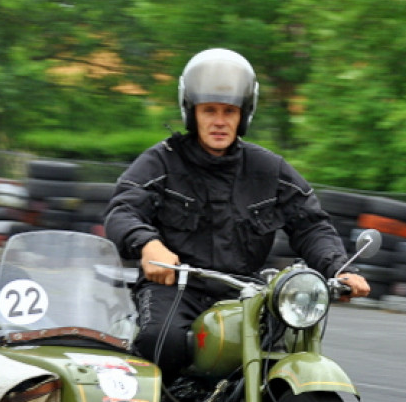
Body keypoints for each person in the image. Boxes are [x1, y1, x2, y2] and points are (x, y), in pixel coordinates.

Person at [104, 48, 371, 376]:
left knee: (285, 342)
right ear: (192, 112)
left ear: (244, 114)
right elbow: (122, 209)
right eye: (209, 110)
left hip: (246, 293)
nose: (219, 121)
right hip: (176, 289)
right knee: (162, 341)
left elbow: (310, 224)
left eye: (229, 111)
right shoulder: (162, 161)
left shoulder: (268, 169)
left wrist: (336, 268)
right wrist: (148, 244)